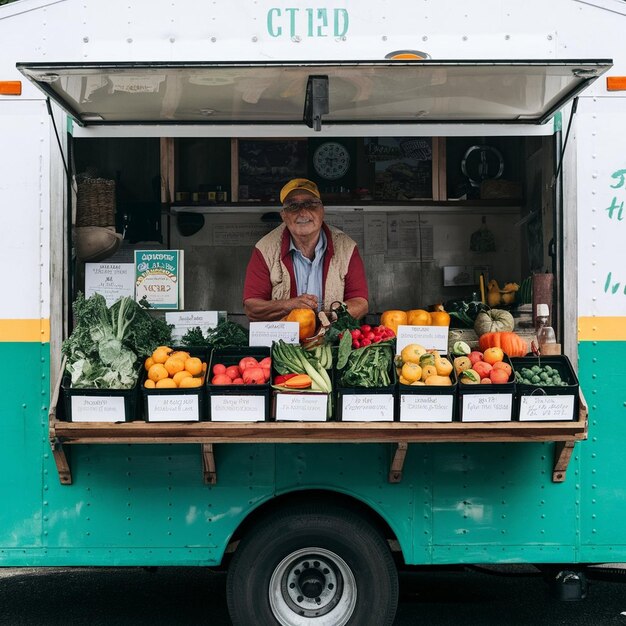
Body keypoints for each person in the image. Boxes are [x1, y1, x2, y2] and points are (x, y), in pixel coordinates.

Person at [243, 178, 368, 321]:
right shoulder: (265, 249)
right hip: (282, 341)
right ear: (283, 215)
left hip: (333, 341)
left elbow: (360, 303)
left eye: (311, 204)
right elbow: (252, 308)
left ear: (322, 211)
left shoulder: (346, 247)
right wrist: (287, 306)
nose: (302, 212)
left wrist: (332, 317)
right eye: (293, 206)